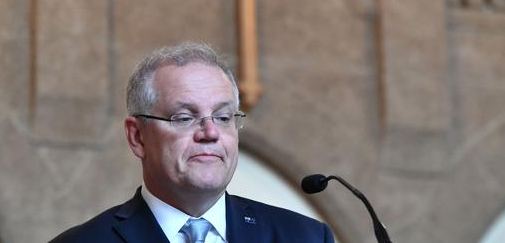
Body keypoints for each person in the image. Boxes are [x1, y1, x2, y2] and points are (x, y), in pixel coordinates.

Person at [50, 42, 334, 243]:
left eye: (223, 117)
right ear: (137, 137)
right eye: (184, 117)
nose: (210, 132)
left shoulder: (305, 237)